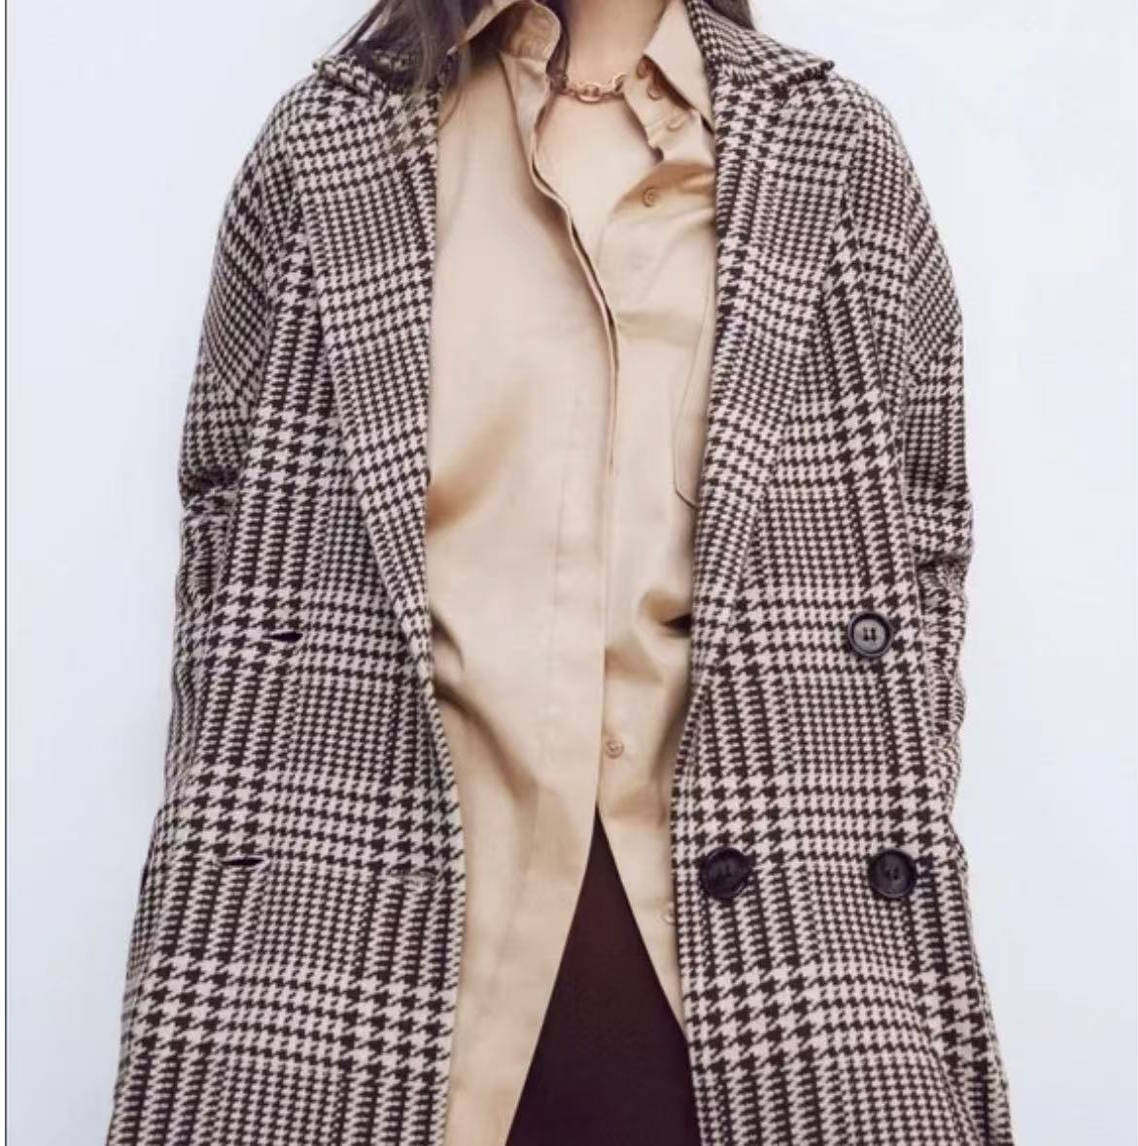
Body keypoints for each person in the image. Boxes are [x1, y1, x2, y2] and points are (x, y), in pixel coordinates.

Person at [105, 0, 1013, 1143]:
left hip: (775, 943)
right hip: (347, 948)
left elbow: (921, 539)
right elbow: (228, 527)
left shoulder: (829, 146)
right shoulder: (335, 138)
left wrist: (866, 790)